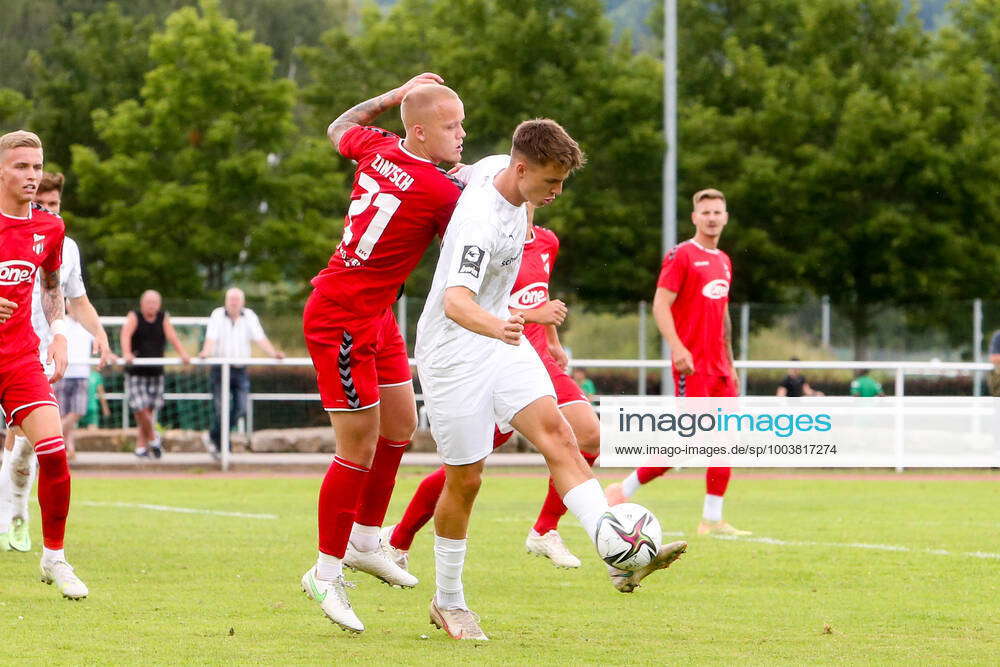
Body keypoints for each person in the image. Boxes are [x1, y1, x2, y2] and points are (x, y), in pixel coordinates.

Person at [415, 120, 686, 641]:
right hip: (454, 353)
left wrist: (505, 330)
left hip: (502, 342)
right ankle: (448, 601)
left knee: (563, 437)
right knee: (466, 480)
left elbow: (471, 168)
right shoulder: (479, 224)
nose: (556, 193)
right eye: (550, 183)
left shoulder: (502, 169)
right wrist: (500, 324)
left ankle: (618, 554)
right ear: (521, 170)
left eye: (561, 182)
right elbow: (455, 302)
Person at [299, 73, 467, 634]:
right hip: (341, 319)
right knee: (358, 446)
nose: (462, 135)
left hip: (375, 315)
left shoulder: (377, 147)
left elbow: (339, 125)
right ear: (419, 133)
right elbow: (472, 246)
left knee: (401, 423)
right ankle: (324, 572)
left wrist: (392, 96)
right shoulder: (439, 191)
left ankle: (367, 541)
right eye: (452, 127)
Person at [381, 205, 601, 571]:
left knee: (589, 434)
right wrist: (534, 316)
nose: (548, 194)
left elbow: (538, 294)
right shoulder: (490, 240)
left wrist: (553, 340)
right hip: (498, 358)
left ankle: (547, 530)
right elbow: (475, 305)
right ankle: (398, 539)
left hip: (537, 361)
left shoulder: (547, 241)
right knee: (464, 470)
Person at [605, 188, 751, 537]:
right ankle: (622, 490)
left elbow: (723, 314)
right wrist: (678, 348)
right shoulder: (682, 255)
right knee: (687, 442)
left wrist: (731, 363)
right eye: (706, 212)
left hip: (719, 368)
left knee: (726, 439)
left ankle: (712, 519)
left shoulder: (724, 260)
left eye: (718, 212)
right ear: (695, 217)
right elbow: (660, 304)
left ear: (726, 217)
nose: (712, 217)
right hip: (691, 365)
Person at [0, 170, 114, 554]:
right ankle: (13, 513)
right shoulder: (11, 231)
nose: (47, 211)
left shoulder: (64, 242)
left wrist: (97, 333)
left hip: (43, 352)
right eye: (41, 204)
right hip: (12, 346)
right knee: (20, 440)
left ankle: (16, 517)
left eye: (54, 205)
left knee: (33, 442)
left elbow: (74, 297)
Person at [0, 130, 86, 598]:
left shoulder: (49, 228)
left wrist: (58, 335)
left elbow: (52, 284)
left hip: (16, 357)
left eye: (36, 167)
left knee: (53, 451)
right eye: (21, 167)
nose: (31, 175)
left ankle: (54, 557)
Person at [198, 287, 284, 459]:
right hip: (219, 369)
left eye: (237, 299)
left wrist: (274, 353)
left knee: (241, 408)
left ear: (242, 302)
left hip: (240, 370)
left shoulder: (250, 316)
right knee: (219, 409)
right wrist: (205, 352)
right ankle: (223, 444)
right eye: (231, 299)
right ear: (226, 301)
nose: (234, 302)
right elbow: (211, 338)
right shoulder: (217, 315)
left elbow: (260, 337)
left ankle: (215, 436)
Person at [120, 290, 190, 458]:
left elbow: (172, 337)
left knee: (148, 411)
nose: (151, 306)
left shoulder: (163, 318)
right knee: (140, 408)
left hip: (156, 371)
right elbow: (125, 335)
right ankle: (154, 440)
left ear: (159, 304)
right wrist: (127, 353)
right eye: (148, 302)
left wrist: (183, 354)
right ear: (142, 303)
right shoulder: (134, 316)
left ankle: (141, 448)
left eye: (154, 303)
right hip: (136, 371)